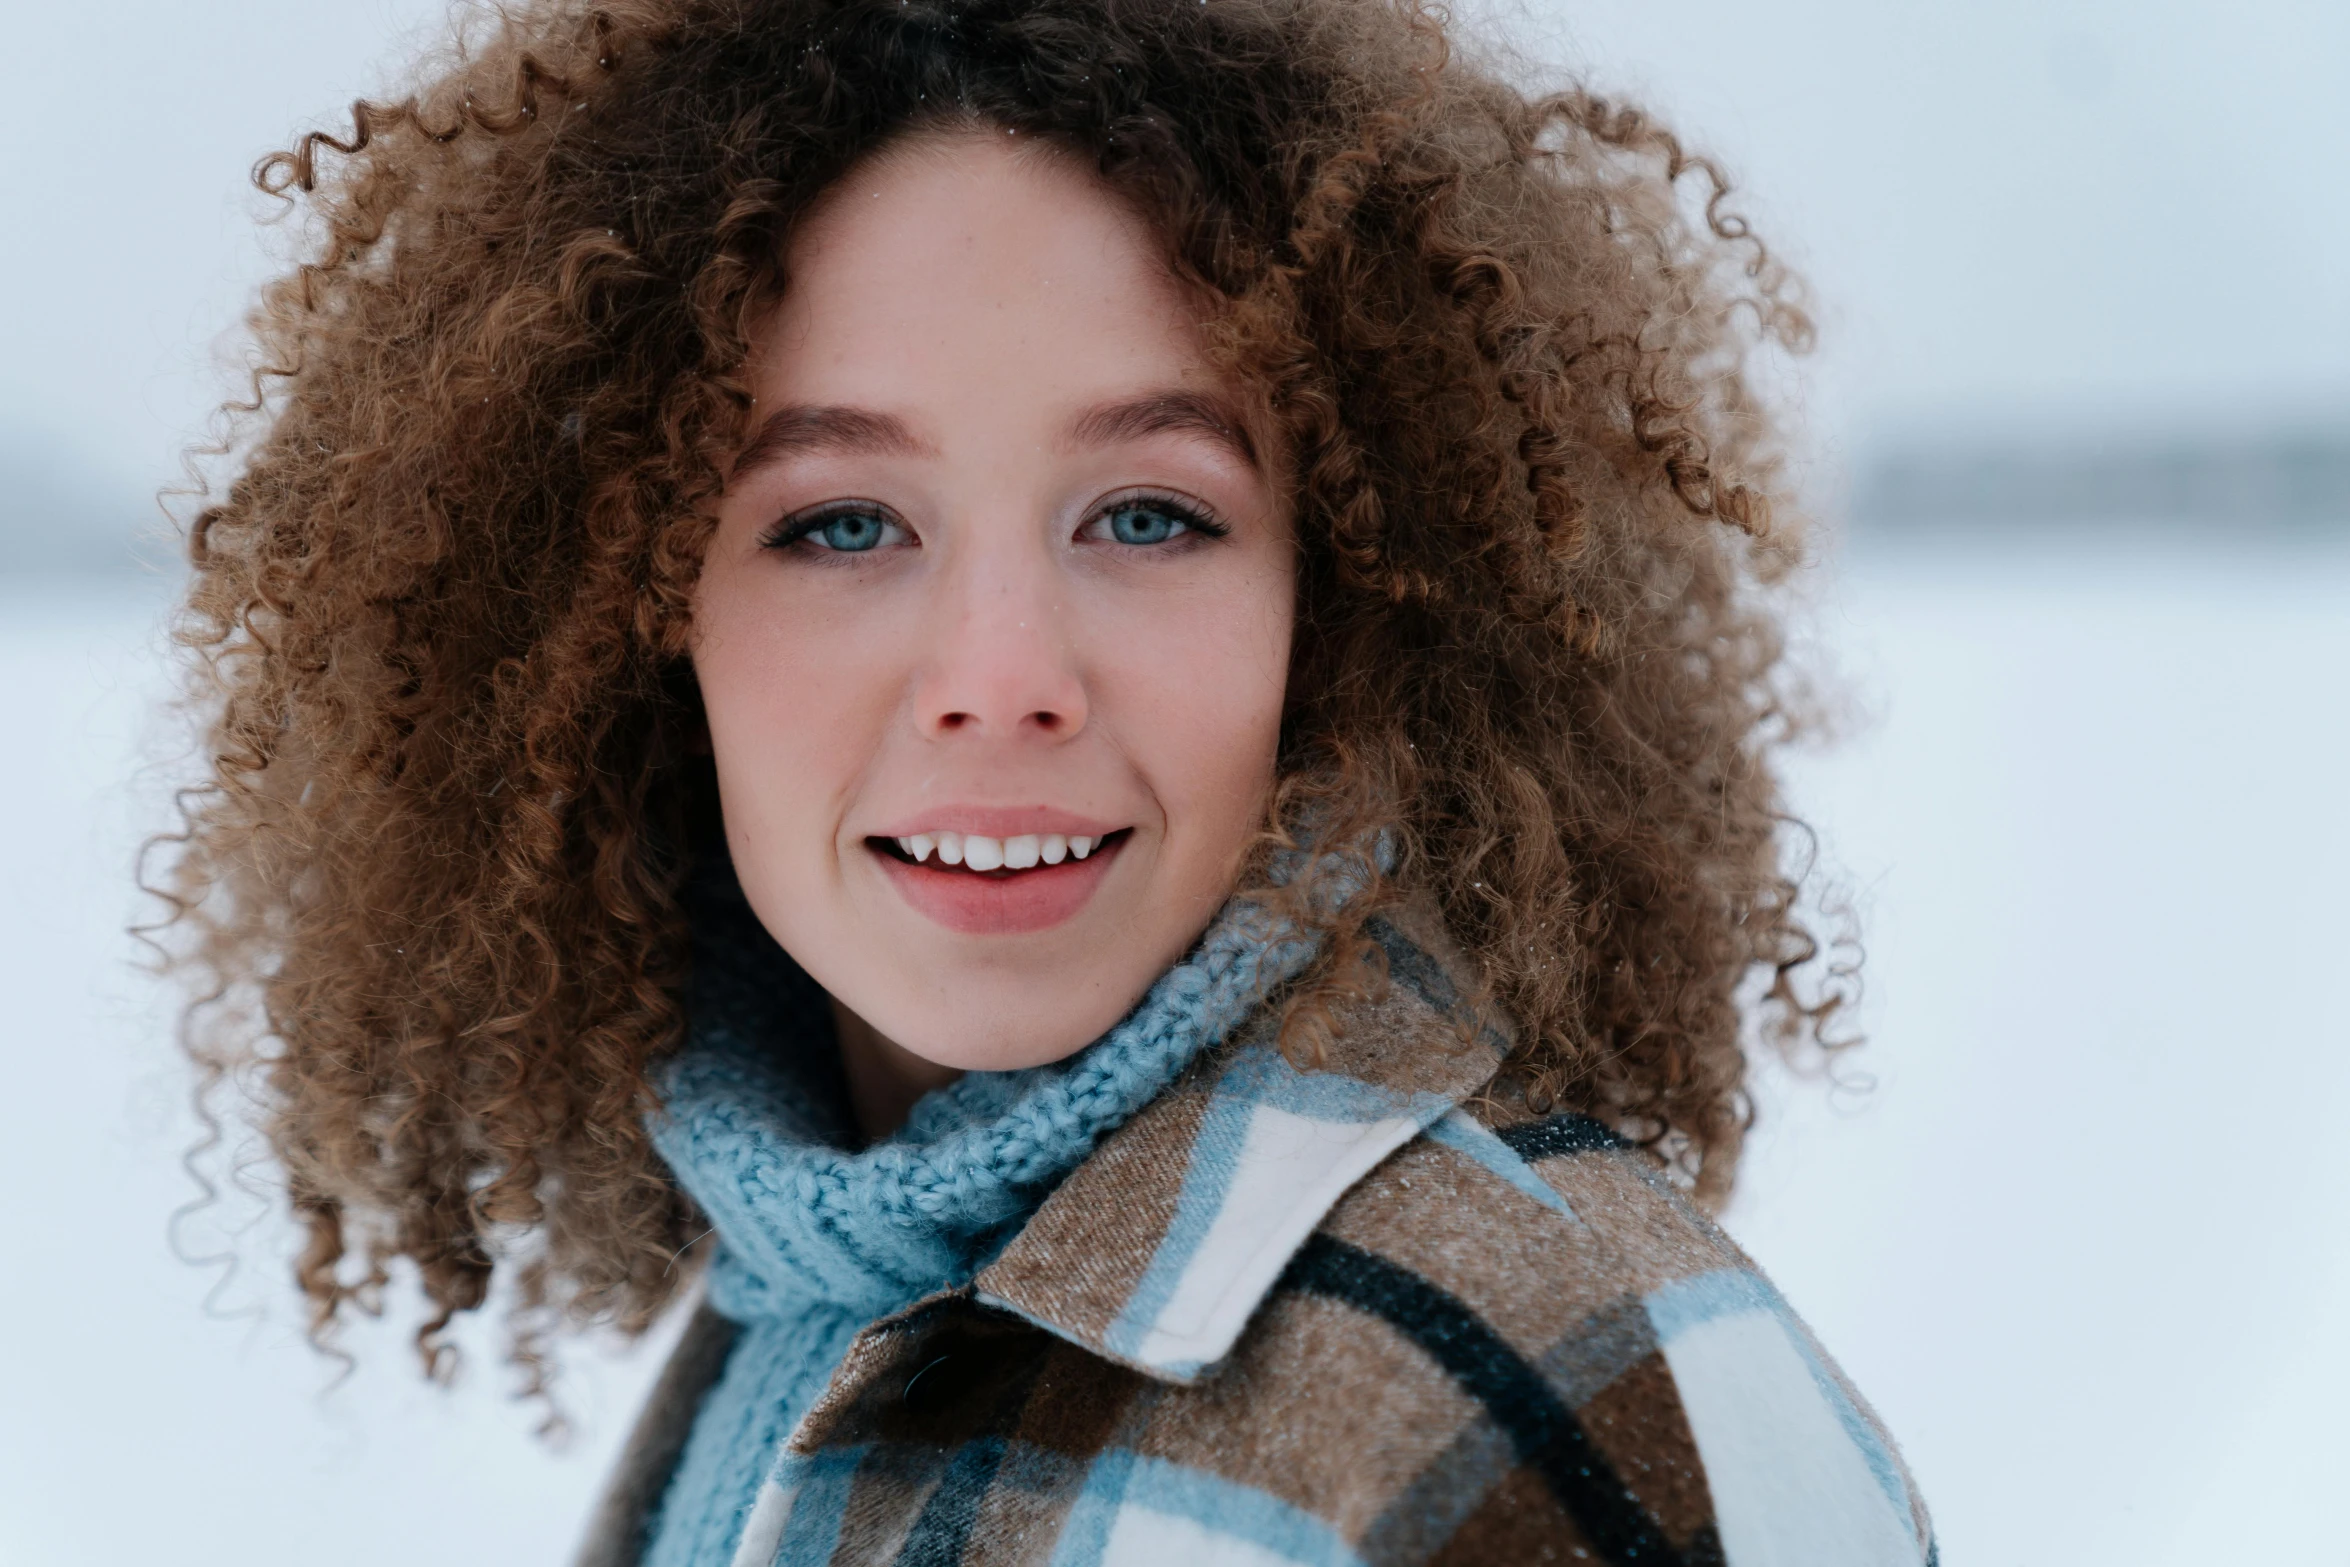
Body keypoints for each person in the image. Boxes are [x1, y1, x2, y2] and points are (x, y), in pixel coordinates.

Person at [161, 0, 1934, 1560]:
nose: (1001, 681)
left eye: (1149, 514)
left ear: (1348, 601)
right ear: (628, 611)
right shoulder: (800, 1288)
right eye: (839, 523)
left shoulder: (1543, 1365)